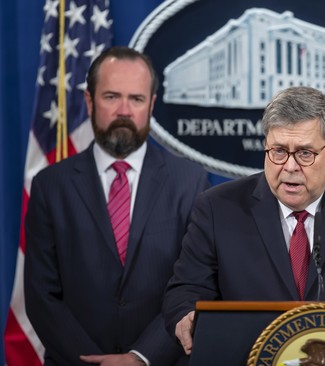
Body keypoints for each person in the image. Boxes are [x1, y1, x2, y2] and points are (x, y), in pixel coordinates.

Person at [163, 86, 325, 355]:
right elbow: (186, 289)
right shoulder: (218, 208)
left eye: (304, 153)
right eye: (278, 151)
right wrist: (187, 315)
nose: (289, 167)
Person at [24, 46, 209, 365]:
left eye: (136, 99)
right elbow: (42, 297)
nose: (124, 110)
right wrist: (92, 361)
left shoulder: (189, 182)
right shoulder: (49, 186)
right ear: (89, 101)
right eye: (111, 96)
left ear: (151, 105)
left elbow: (196, 285)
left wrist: (141, 357)